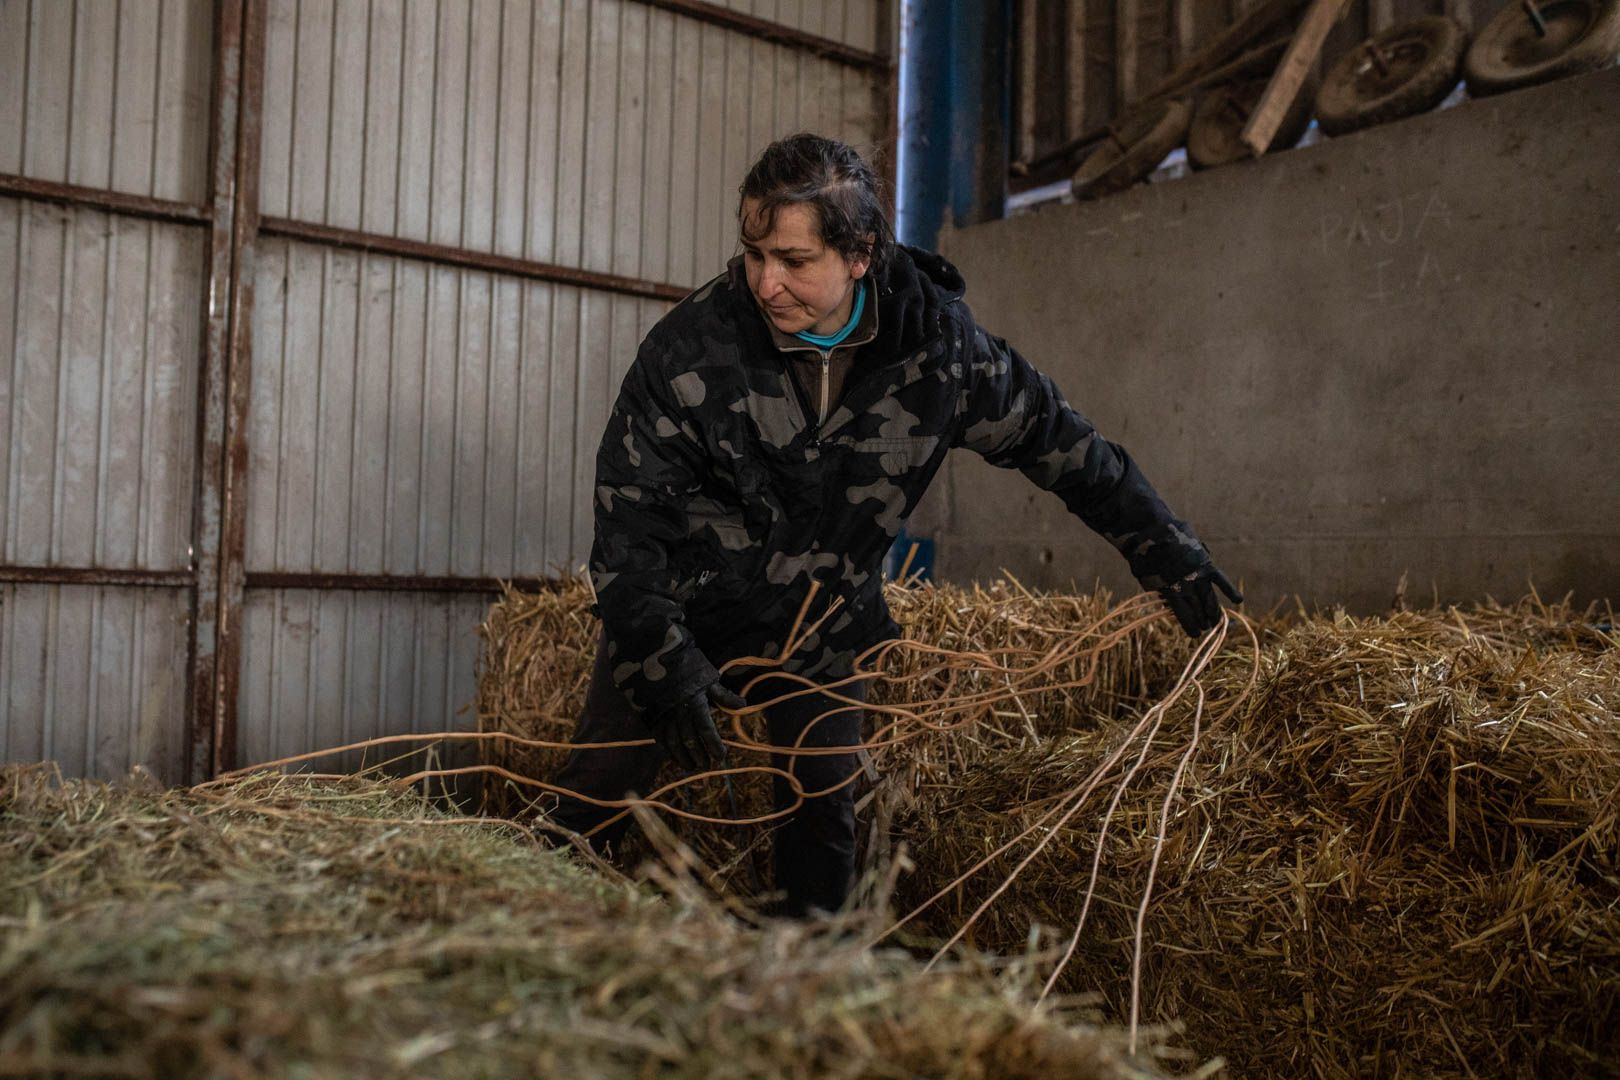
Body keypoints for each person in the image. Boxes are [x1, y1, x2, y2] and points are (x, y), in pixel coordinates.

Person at [548, 133, 1240, 916]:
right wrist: (663, 665)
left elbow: (1063, 446)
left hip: (821, 625)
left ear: (860, 255)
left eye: (793, 259)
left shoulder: (937, 349)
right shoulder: (690, 347)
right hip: (684, 611)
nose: (766, 282)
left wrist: (1165, 548)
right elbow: (627, 516)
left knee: (824, 820)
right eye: (752, 253)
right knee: (596, 795)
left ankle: (807, 983)